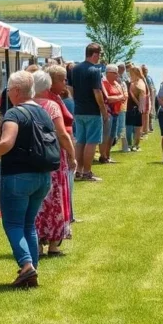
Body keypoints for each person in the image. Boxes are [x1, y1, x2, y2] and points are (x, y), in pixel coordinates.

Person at [0, 71, 57, 288]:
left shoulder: (14, 114)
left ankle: (26, 266)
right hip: (42, 177)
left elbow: (7, 143)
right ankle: (32, 269)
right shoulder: (43, 112)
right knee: (28, 224)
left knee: (13, 224)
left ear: (15, 91)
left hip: (18, 177)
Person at [32, 71, 74, 257]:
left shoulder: (25, 105)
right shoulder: (51, 106)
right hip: (53, 158)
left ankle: (38, 243)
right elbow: (62, 134)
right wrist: (72, 155)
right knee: (55, 198)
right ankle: (53, 244)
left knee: (36, 201)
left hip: (33, 159)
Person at [43, 64, 77, 222]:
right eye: (63, 80)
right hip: (57, 148)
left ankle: (66, 216)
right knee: (58, 187)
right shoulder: (51, 100)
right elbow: (61, 132)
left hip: (61, 146)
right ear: (53, 81)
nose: (65, 82)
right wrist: (71, 153)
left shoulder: (56, 97)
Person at [69, 44, 108, 182]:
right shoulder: (94, 70)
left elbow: (71, 88)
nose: (100, 58)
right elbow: (97, 92)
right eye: (99, 55)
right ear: (95, 54)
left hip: (78, 110)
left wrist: (76, 101)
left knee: (81, 141)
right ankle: (87, 172)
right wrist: (103, 110)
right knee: (91, 142)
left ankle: (78, 171)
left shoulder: (75, 68)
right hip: (92, 111)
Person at [99, 66, 126, 164]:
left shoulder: (116, 84)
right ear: (108, 73)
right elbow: (108, 98)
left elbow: (124, 95)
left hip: (116, 112)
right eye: (115, 73)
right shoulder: (104, 83)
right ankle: (103, 156)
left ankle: (108, 155)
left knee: (112, 135)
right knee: (106, 135)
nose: (117, 75)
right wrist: (119, 97)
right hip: (108, 112)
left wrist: (119, 97)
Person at [126, 66, 147, 152]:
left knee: (135, 128)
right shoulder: (133, 82)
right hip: (130, 107)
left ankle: (135, 145)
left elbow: (142, 97)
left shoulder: (139, 83)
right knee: (130, 127)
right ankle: (131, 145)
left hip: (135, 107)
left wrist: (141, 107)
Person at [142, 64, 156, 134]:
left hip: (149, 97)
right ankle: (145, 127)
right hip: (144, 97)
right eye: (144, 70)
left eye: (146, 70)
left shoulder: (149, 78)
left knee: (150, 112)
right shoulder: (141, 78)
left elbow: (152, 88)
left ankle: (150, 126)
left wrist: (152, 97)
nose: (145, 71)